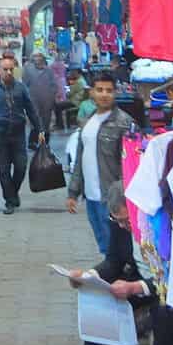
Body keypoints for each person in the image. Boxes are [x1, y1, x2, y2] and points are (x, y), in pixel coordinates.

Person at [65, 205, 154, 345]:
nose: (122, 226)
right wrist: (88, 276)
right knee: (99, 296)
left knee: (162, 315)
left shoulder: (156, 223)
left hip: (162, 286)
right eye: (117, 220)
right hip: (137, 279)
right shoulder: (118, 225)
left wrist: (135, 287)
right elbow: (113, 261)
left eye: (126, 220)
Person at [66, 70, 135, 257]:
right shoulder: (87, 122)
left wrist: (124, 198)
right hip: (91, 197)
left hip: (112, 198)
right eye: (100, 90)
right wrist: (73, 192)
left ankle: (122, 283)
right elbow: (80, 159)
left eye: (109, 90)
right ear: (92, 93)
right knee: (104, 248)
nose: (104, 94)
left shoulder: (124, 123)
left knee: (118, 250)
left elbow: (130, 165)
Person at [0, 52, 44, 215]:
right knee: (4, 171)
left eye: (11, 69)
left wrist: (39, 129)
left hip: (18, 134)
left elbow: (31, 110)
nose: (8, 72)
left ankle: (12, 193)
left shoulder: (21, 88)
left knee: (21, 167)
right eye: (5, 69)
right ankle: (10, 201)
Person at [23, 51, 57, 134]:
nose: (38, 58)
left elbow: (53, 85)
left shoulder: (49, 70)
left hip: (47, 101)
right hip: (34, 99)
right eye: (36, 56)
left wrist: (52, 96)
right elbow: (25, 84)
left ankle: (45, 142)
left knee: (46, 121)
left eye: (39, 56)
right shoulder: (28, 70)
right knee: (35, 120)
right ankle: (35, 141)